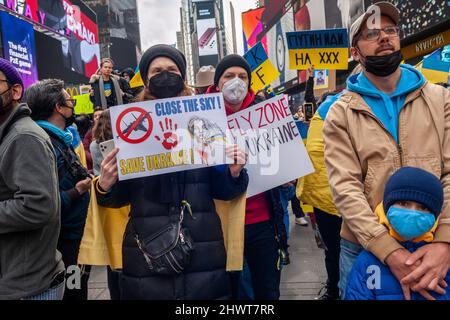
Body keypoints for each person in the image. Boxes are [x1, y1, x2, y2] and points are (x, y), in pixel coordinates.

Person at [96, 44, 249, 300]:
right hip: (145, 253)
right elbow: (119, 198)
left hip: (203, 249)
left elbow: (223, 190)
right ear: (146, 78)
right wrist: (106, 184)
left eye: (171, 69)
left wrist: (234, 174)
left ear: (182, 75)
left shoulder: (203, 119)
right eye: (157, 70)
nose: (164, 75)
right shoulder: (129, 125)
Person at [323, 2, 450, 300]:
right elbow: (345, 189)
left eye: (390, 30)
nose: (384, 37)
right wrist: (387, 249)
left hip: (435, 246)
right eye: (372, 33)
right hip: (364, 250)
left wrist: (444, 241)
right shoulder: (340, 113)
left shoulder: (440, 99)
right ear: (354, 52)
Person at [207, 54, 288, 300]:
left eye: (242, 76)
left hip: (263, 222)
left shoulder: (266, 111)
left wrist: (286, 175)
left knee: (268, 290)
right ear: (217, 82)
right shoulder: (203, 115)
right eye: (229, 76)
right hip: (222, 225)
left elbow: (281, 157)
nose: (236, 82)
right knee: (235, 292)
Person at [0, 59, 65, 300]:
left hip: (28, 287)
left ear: (16, 91)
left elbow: (38, 206)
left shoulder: (23, 136)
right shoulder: (8, 134)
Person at [26, 79, 92, 300]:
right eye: (69, 101)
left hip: (72, 238)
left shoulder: (58, 139)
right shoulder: (43, 144)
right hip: (64, 243)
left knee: (77, 287)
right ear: (58, 107)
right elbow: (42, 203)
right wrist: (79, 190)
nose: (73, 106)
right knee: (73, 291)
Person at [346, 167, 450, 300]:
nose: (412, 213)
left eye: (423, 207)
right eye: (404, 203)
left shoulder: (443, 260)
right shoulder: (368, 261)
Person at [90, 109, 112, 177]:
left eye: (99, 116)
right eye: (95, 116)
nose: (97, 117)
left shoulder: (94, 144)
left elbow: (97, 166)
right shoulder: (121, 141)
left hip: (103, 179)